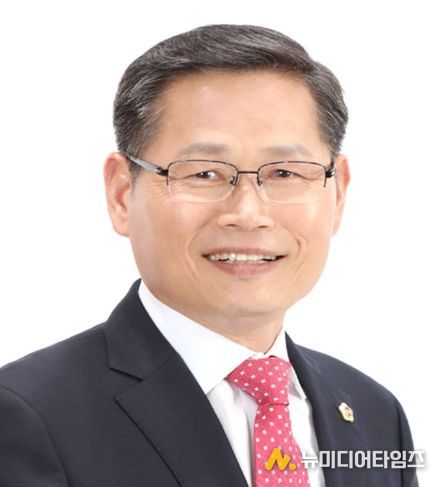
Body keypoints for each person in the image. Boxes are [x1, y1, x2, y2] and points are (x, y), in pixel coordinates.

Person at [0, 24, 418, 487]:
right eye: (203, 173)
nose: (248, 214)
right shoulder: (26, 416)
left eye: (284, 172)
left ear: (337, 194)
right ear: (121, 194)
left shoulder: (376, 414)